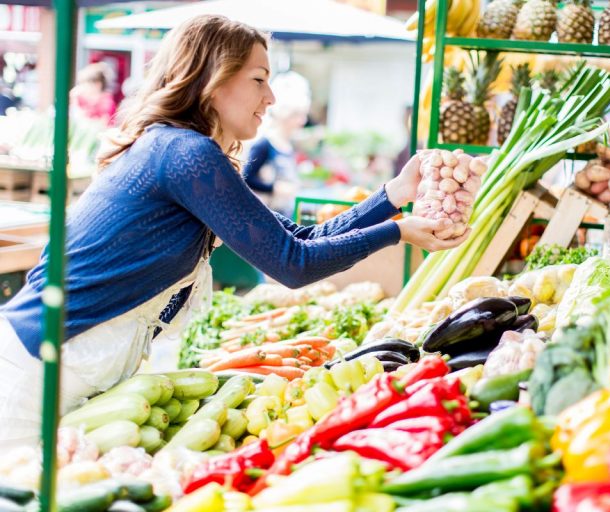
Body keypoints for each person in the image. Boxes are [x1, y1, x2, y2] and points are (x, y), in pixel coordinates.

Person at [0, 15, 468, 448]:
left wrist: (392, 194)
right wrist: (397, 232)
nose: (271, 98)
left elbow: (298, 240)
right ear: (213, 78)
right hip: (32, 373)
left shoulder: (183, 151)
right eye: (259, 80)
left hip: (62, 368)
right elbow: (293, 265)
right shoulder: (186, 154)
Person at [242, 71, 311, 218]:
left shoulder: (288, 144)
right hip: (267, 217)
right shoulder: (264, 144)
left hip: (285, 216)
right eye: (297, 115)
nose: (302, 121)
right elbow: (246, 178)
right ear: (285, 114)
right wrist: (274, 188)